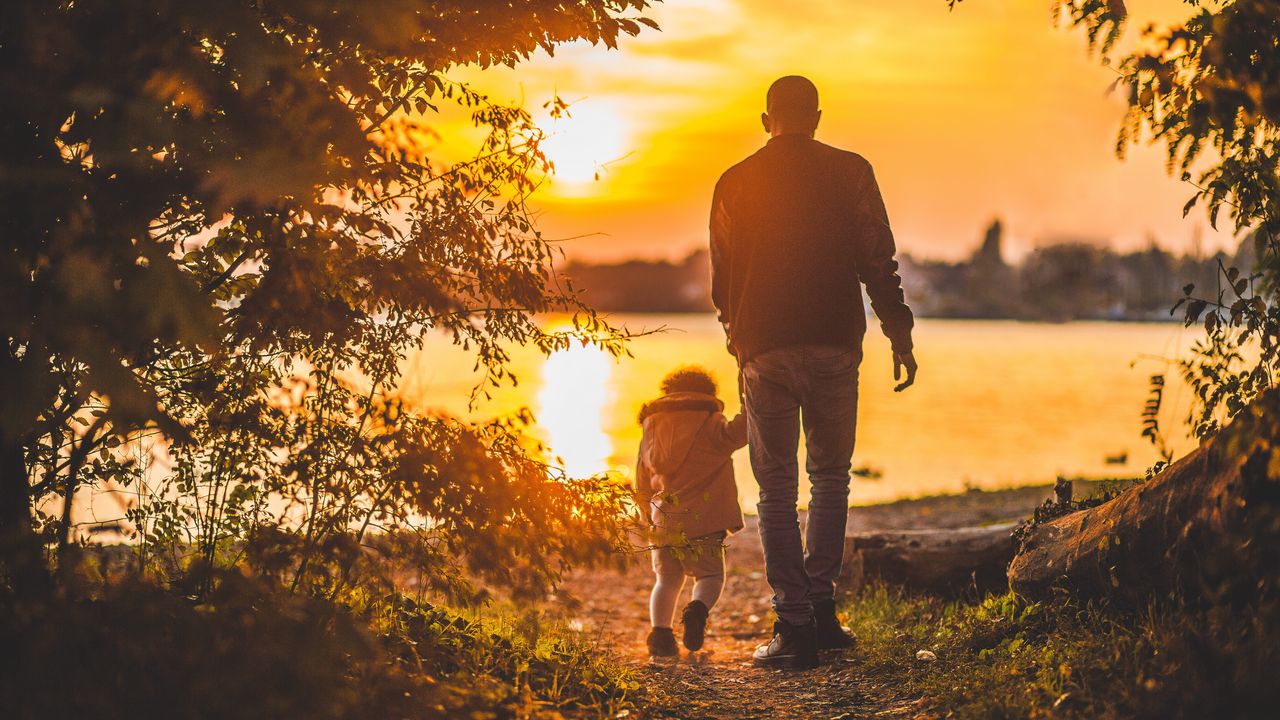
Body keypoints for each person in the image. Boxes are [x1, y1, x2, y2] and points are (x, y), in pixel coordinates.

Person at [709, 75, 918, 669]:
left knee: (776, 487)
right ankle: (822, 612)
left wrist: (737, 339)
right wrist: (898, 333)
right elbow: (879, 259)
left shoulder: (734, 181)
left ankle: (794, 623)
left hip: (765, 348)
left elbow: (722, 276)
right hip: (832, 342)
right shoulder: (851, 171)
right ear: (818, 117)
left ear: (765, 119)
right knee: (830, 477)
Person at [634, 367, 748, 661]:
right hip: (704, 520)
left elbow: (641, 478)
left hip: (664, 521)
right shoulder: (712, 423)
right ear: (707, 395)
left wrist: (647, 514)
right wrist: (748, 394)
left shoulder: (651, 427)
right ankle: (697, 611)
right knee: (709, 575)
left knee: (667, 580)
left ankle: (660, 635)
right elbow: (744, 430)